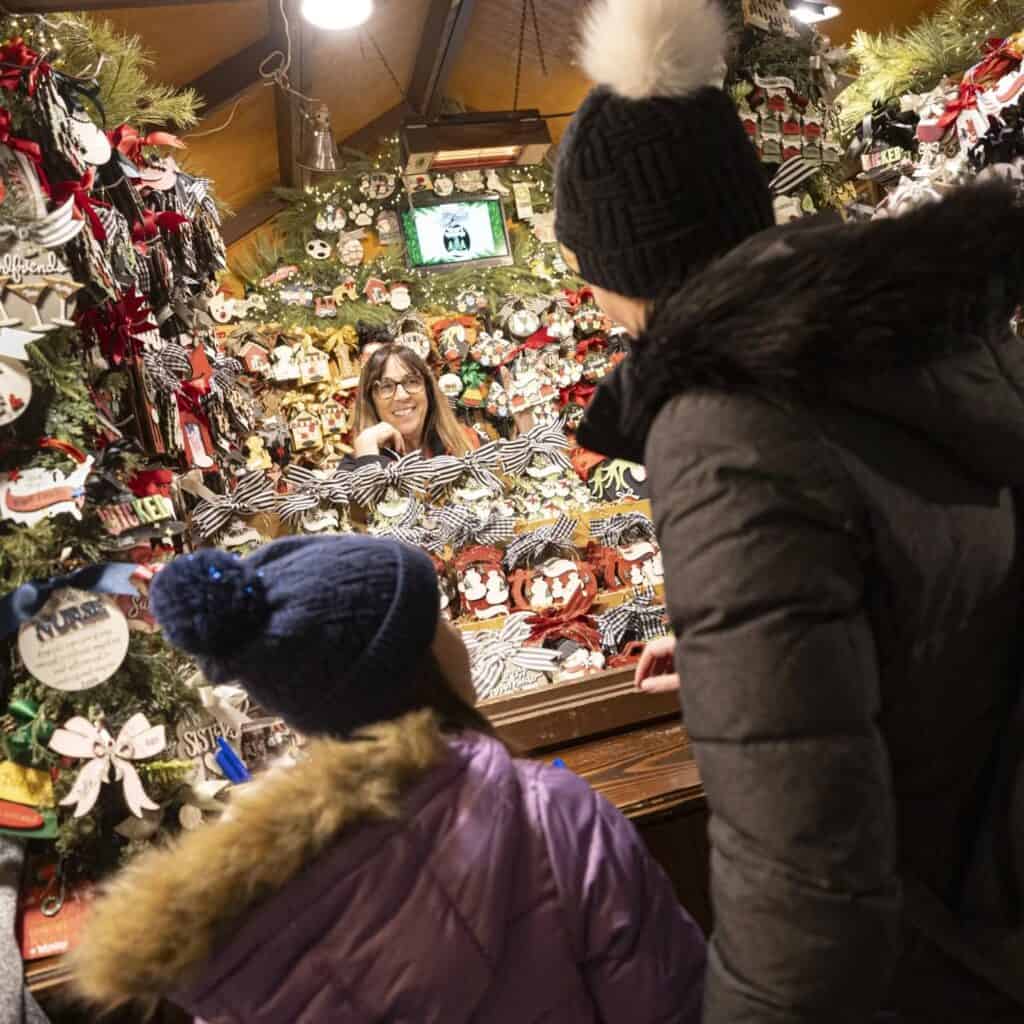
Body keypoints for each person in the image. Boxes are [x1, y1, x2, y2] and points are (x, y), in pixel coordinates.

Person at [557, 0, 1024, 1021]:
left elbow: (802, 900)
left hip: (943, 960)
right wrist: (762, 653)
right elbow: (941, 578)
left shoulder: (719, 422)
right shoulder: (901, 337)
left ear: (619, 266)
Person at [69, 536, 707, 1023]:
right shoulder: (552, 817)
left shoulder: (236, 927)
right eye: (438, 620)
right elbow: (668, 1003)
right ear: (417, 662)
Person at [352, 343, 480, 461]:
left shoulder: (471, 443)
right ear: (371, 401)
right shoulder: (352, 468)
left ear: (428, 390)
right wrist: (367, 453)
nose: (402, 396)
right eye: (386, 386)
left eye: (412, 381)